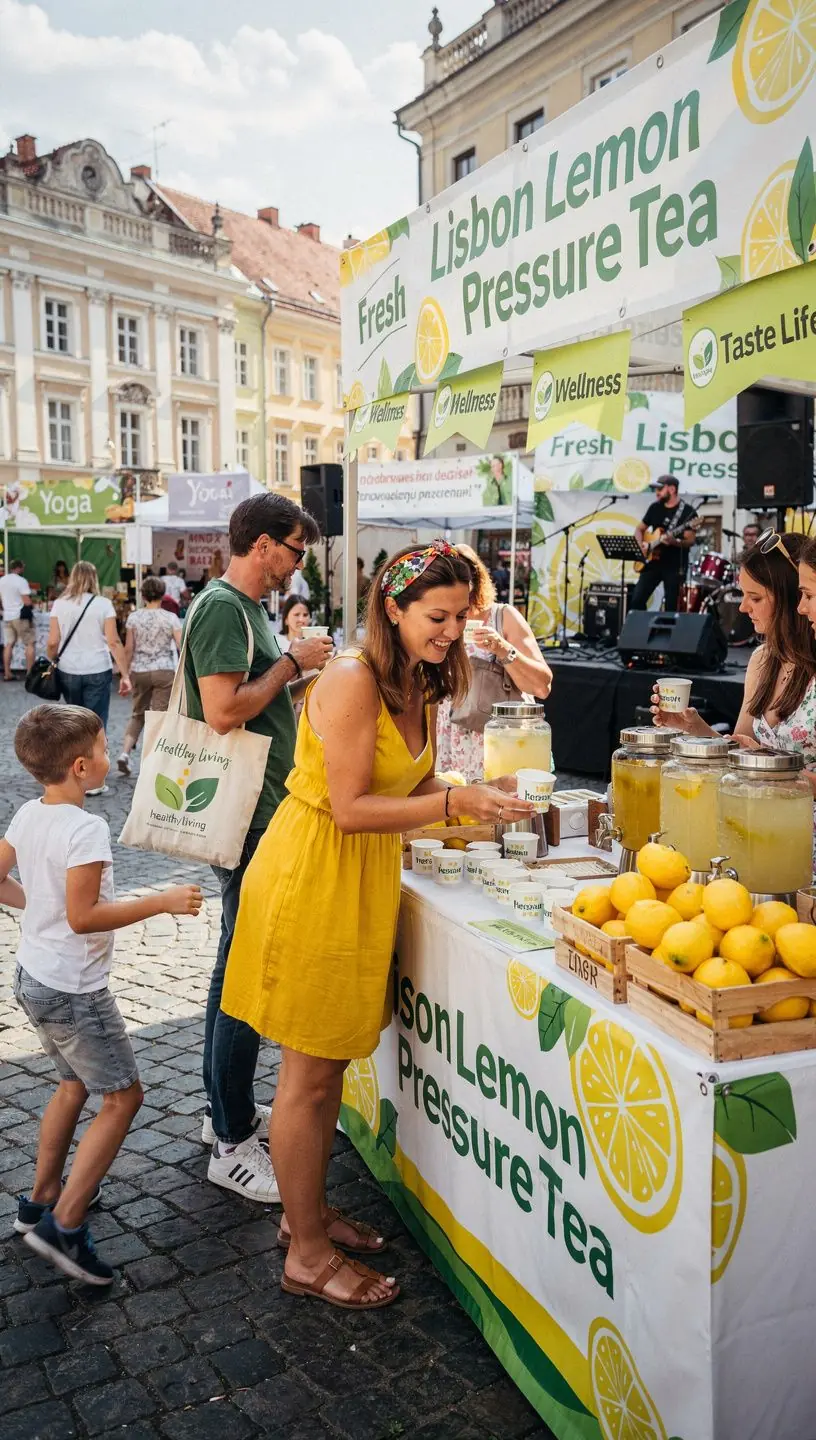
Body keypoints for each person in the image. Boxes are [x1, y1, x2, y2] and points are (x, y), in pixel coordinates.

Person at [220, 540, 536, 1309]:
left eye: (463, 614)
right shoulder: (354, 678)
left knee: (326, 1065)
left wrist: (472, 789)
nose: (455, 630)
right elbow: (357, 806)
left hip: (354, 876)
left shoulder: (420, 678)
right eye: (439, 615)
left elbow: (414, 780)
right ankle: (306, 1252)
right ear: (391, 610)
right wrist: (455, 805)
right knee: (308, 1074)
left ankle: (309, 1215)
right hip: (313, 873)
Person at [1, 703, 202, 1284]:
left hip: (33, 978)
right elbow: (85, 917)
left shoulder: (28, 813)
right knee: (123, 1097)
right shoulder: (86, 828)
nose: (111, 757)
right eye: (104, 748)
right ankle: (63, 1225)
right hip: (74, 989)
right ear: (83, 766)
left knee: (73, 1082)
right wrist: (161, 900)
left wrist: (38, 905)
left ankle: (41, 1197)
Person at [183, 492, 332, 1201]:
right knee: (244, 977)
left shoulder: (239, 610)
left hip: (257, 810)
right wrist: (294, 664)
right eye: (296, 553)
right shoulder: (222, 607)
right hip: (246, 817)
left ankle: (227, 1112)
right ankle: (233, 1139)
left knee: (234, 971)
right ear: (265, 544)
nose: (296, 570)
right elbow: (221, 712)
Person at [652, 532, 816, 794]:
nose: (742, 607)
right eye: (743, 595)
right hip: (758, 814)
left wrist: (766, 764)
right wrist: (693, 727)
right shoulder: (762, 660)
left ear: (790, 598)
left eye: (756, 598)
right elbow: (741, 748)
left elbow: (756, 760)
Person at [436, 544, 553, 781]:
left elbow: (542, 686)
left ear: (474, 581)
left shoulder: (502, 616)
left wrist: (501, 648)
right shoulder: (435, 621)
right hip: (448, 741)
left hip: (498, 741)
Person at [48, 564, 132, 794]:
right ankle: (95, 781)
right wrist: (124, 674)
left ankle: (76, 775)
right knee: (96, 725)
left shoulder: (60, 603)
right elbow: (114, 641)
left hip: (68, 669)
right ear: (94, 578)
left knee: (74, 724)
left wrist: (51, 658)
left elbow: (53, 641)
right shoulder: (103, 604)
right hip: (97, 668)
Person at [117, 578, 182, 776]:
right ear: (163, 595)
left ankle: (125, 753)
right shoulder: (170, 618)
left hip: (140, 670)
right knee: (160, 716)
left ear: (143, 595)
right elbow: (181, 646)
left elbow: (129, 649)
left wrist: (125, 674)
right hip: (165, 670)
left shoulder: (134, 618)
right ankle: (152, 760)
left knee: (138, 714)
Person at [630, 477, 699, 612]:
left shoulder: (687, 512)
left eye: (660, 489)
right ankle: (642, 630)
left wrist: (673, 541)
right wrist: (641, 545)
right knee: (637, 599)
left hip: (674, 565)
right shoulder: (655, 508)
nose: (657, 492)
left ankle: (667, 632)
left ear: (672, 489)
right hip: (652, 562)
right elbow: (639, 529)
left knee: (671, 605)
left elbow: (690, 541)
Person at [1, 558, 35, 682]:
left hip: (7, 616)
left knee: (8, 644)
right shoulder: (21, 581)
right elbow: (26, 601)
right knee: (29, 643)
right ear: (19, 568)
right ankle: (30, 674)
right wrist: (32, 605)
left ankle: (7, 673)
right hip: (20, 616)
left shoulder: (2, 580)